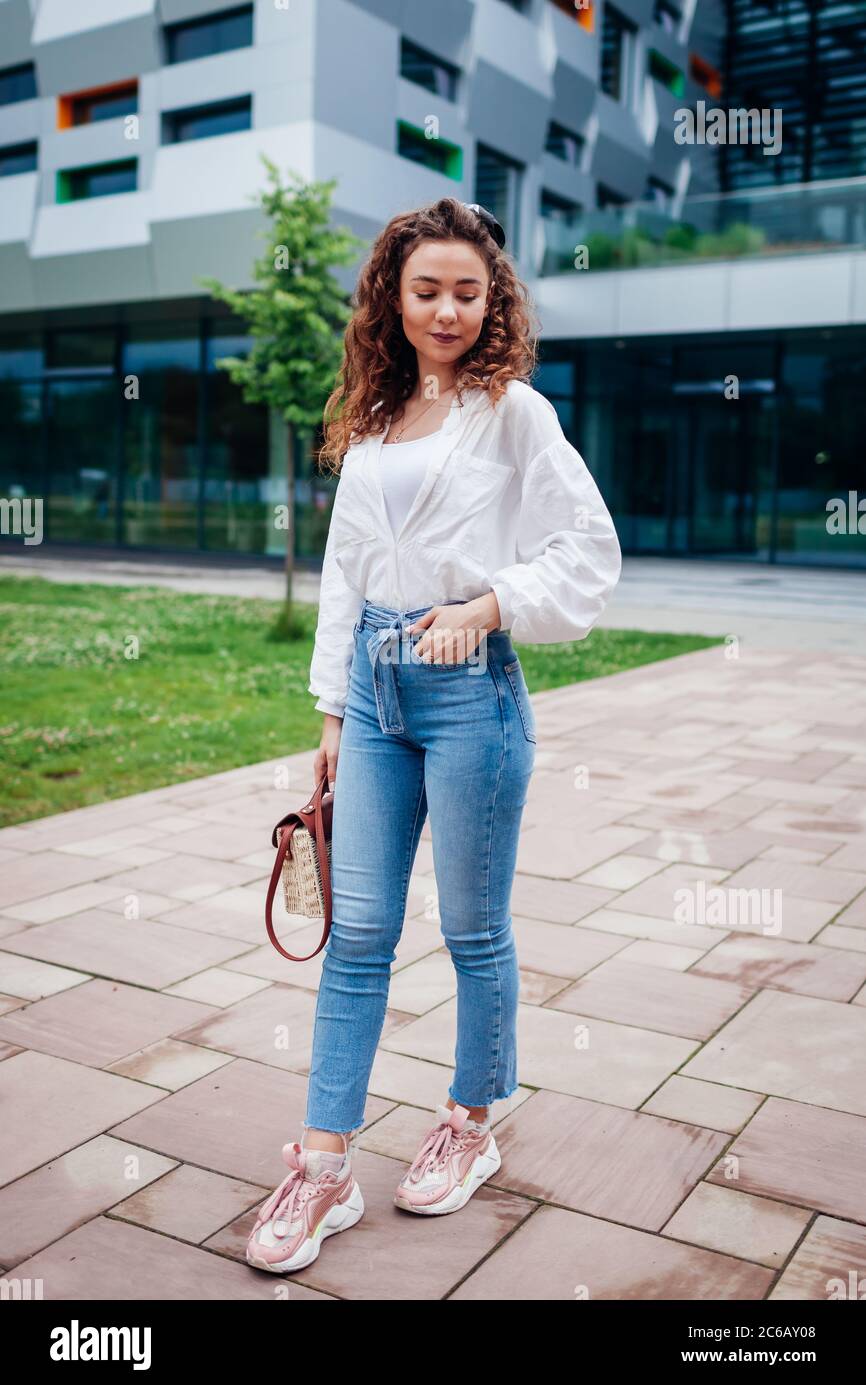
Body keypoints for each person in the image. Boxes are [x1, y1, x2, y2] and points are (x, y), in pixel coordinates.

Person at [246, 196, 622, 1276]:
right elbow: (345, 573)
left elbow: (586, 549)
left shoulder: (513, 414)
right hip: (370, 697)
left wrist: (487, 606)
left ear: (490, 298)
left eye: (467, 290)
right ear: (392, 300)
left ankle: (470, 1117)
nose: (447, 309)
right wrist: (328, 710)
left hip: (470, 696)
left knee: (470, 925)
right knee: (357, 933)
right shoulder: (371, 414)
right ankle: (322, 1169)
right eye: (427, 291)